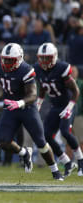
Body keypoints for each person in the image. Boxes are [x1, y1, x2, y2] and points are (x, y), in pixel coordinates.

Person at [0, 43, 64, 180]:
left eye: (10, 60)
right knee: (3, 141)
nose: (7, 63)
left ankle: (55, 170)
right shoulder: (0, 62)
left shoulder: (26, 70)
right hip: (10, 108)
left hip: (27, 108)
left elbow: (33, 95)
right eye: (5, 59)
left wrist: (20, 102)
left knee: (40, 142)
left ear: (19, 58)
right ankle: (24, 153)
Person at [34, 42, 83, 177]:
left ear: (54, 56)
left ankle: (80, 160)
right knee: (46, 136)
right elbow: (44, 86)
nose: (44, 61)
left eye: (47, 58)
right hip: (55, 106)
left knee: (65, 132)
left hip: (68, 104)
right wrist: (39, 102)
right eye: (42, 58)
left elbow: (75, 91)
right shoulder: (38, 69)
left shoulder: (61, 68)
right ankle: (66, 162)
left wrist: (70, 107)